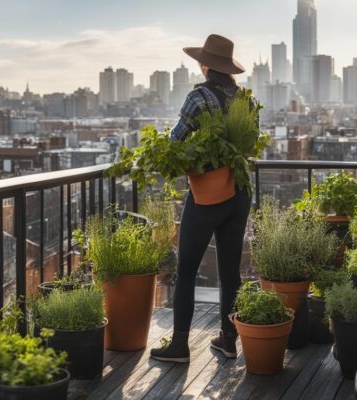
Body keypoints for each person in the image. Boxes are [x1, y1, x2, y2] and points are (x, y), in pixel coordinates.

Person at [150, 34, 257, 363]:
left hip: (209, 193)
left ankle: (180, 345)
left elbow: (175, 141)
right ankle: (228, 340)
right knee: (229, 271)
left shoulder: (199, 97)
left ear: (206, 65)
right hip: (239, 190)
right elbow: (249, 145)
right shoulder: (247, 102)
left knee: (186, 269)